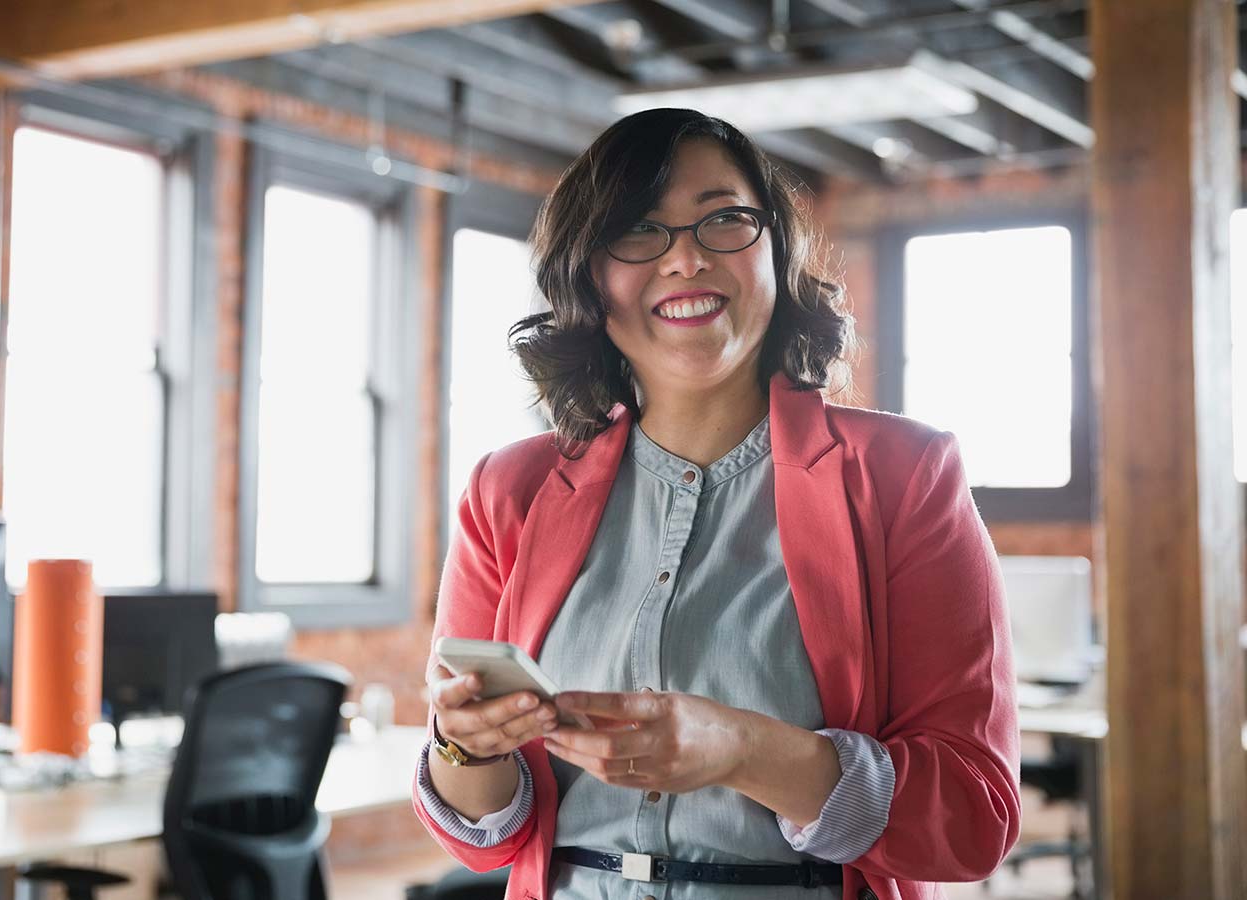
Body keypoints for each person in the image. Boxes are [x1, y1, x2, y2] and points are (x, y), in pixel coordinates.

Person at [411, 108, 1020, 900]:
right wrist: (465, 749)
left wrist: (743, 749)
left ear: (775, 247)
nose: (687, 259)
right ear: (588, 275)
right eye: (639, 231)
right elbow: (487, 839)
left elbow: (974, 813)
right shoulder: (509, 491)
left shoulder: (906, 474)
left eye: (723, 219)